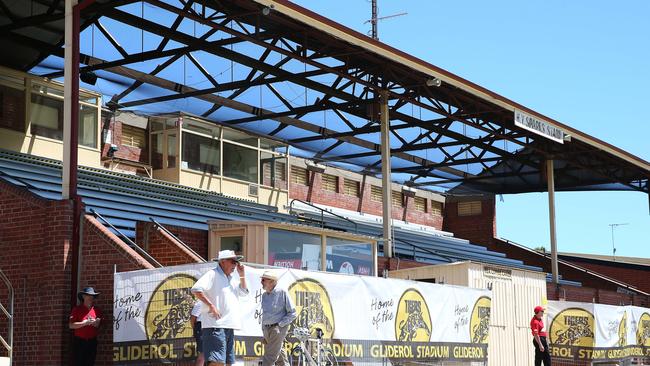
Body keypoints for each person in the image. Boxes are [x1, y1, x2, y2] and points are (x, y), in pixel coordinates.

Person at [192, 250, 249, 366]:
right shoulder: (212, 274)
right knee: (216, 362)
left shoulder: (232, 278)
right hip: (215, 326)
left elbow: (244, 292)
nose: (235, 264)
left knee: (228, 362)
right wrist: (211, 306)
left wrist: (242, 275)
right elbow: (196, 289)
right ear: (223, 262)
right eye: (233, 261)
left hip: (228, 326)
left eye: (236, 262)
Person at [260, 270, 296, 366]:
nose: (261, 282)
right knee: (280, 357)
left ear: (272, 281)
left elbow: (292, 313)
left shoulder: (282, 292)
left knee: (269, 357)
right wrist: (264, 330)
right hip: (267, 330)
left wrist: (279, 325)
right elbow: (265, 314)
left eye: (263, 280)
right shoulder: (264, 296)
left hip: (277, 329)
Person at [69, 286, 102, 366]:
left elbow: (100, 325)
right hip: (79, 342)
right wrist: (85, 323)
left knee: (90, 363)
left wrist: (96, 323)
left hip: (92, 342)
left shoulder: (97, 310)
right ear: (83, 296)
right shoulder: (77, 309)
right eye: (88, 295)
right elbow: (71, 325)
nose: (91, 298)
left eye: (92, 296)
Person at [190, 300, 205, 366]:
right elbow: (193, 318)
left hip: (211, 328)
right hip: (201, 328)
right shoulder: (200, 303)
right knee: (202, 354)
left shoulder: (215, 301)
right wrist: (196, 330)